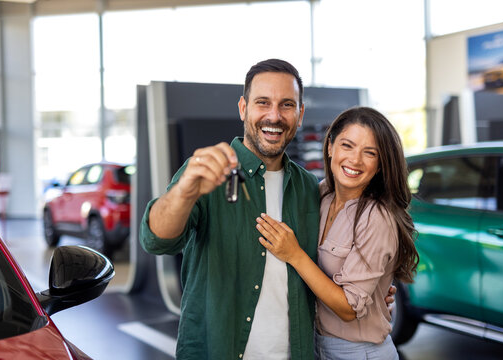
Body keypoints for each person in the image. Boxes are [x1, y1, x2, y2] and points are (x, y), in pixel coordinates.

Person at [139, 59, 395, 359]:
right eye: (263, 103)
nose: (274, 116)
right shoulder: (207, 174)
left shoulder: (309, 188)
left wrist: (377, 294)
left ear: (300, 115)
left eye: (286, 105)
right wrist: (184, 191)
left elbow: (333, 264)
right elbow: (156, 240)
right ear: (243, 108)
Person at [255, 107, 419, 360]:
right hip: (316, 346)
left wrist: (294, 255)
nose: (355, 160)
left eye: (370, 153)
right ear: (330, 147)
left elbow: (348, 310)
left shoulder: (376, 216)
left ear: (381, 164)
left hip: (359, 352)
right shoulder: (319, 195)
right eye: (348, 145)